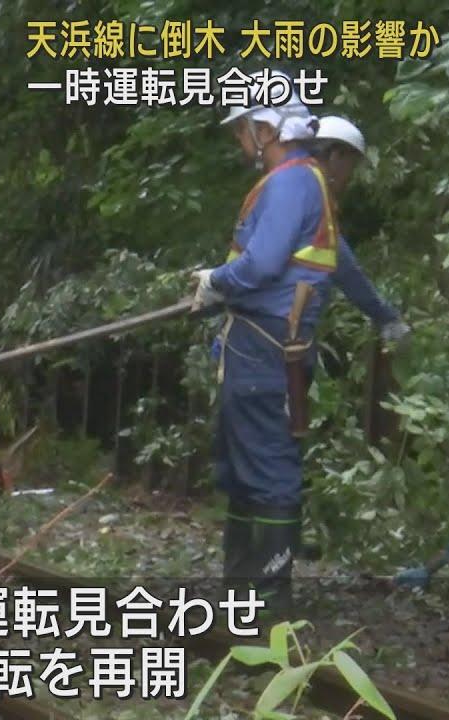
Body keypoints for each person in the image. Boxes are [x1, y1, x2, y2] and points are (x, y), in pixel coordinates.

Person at [190, 70, 341, 616]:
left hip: (264, 343)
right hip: (258, 341)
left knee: (268, 469)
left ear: (266, 126)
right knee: (243, 466)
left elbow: (262, 264)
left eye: (242, 130)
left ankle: (268, 602)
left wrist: (216, 282)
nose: (239, 142)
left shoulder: (291, 181)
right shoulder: (304, 181)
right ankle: (239, 592)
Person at [312, 115, 410, 342]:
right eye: (351, 166)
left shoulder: (293, 186)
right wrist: (386, 317)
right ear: (336, 156)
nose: (350, 177)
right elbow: (343, 265)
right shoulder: (311, 198)